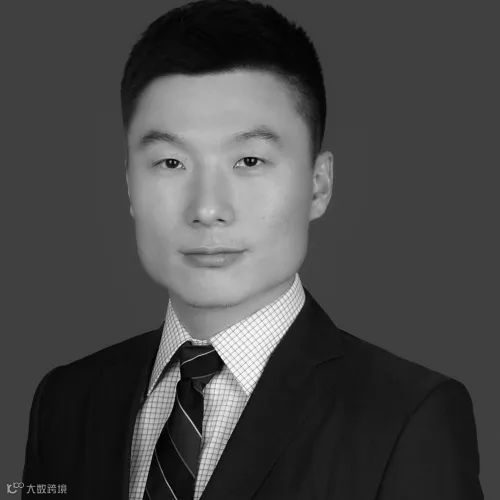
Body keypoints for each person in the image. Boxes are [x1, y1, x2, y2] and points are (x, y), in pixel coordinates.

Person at [22, 1, 483, 499]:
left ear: (318, 185)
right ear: (130, 185)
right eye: (171, 163)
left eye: (248, 160)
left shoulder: (408, 418)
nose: (208, 209)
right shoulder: (66, 400)